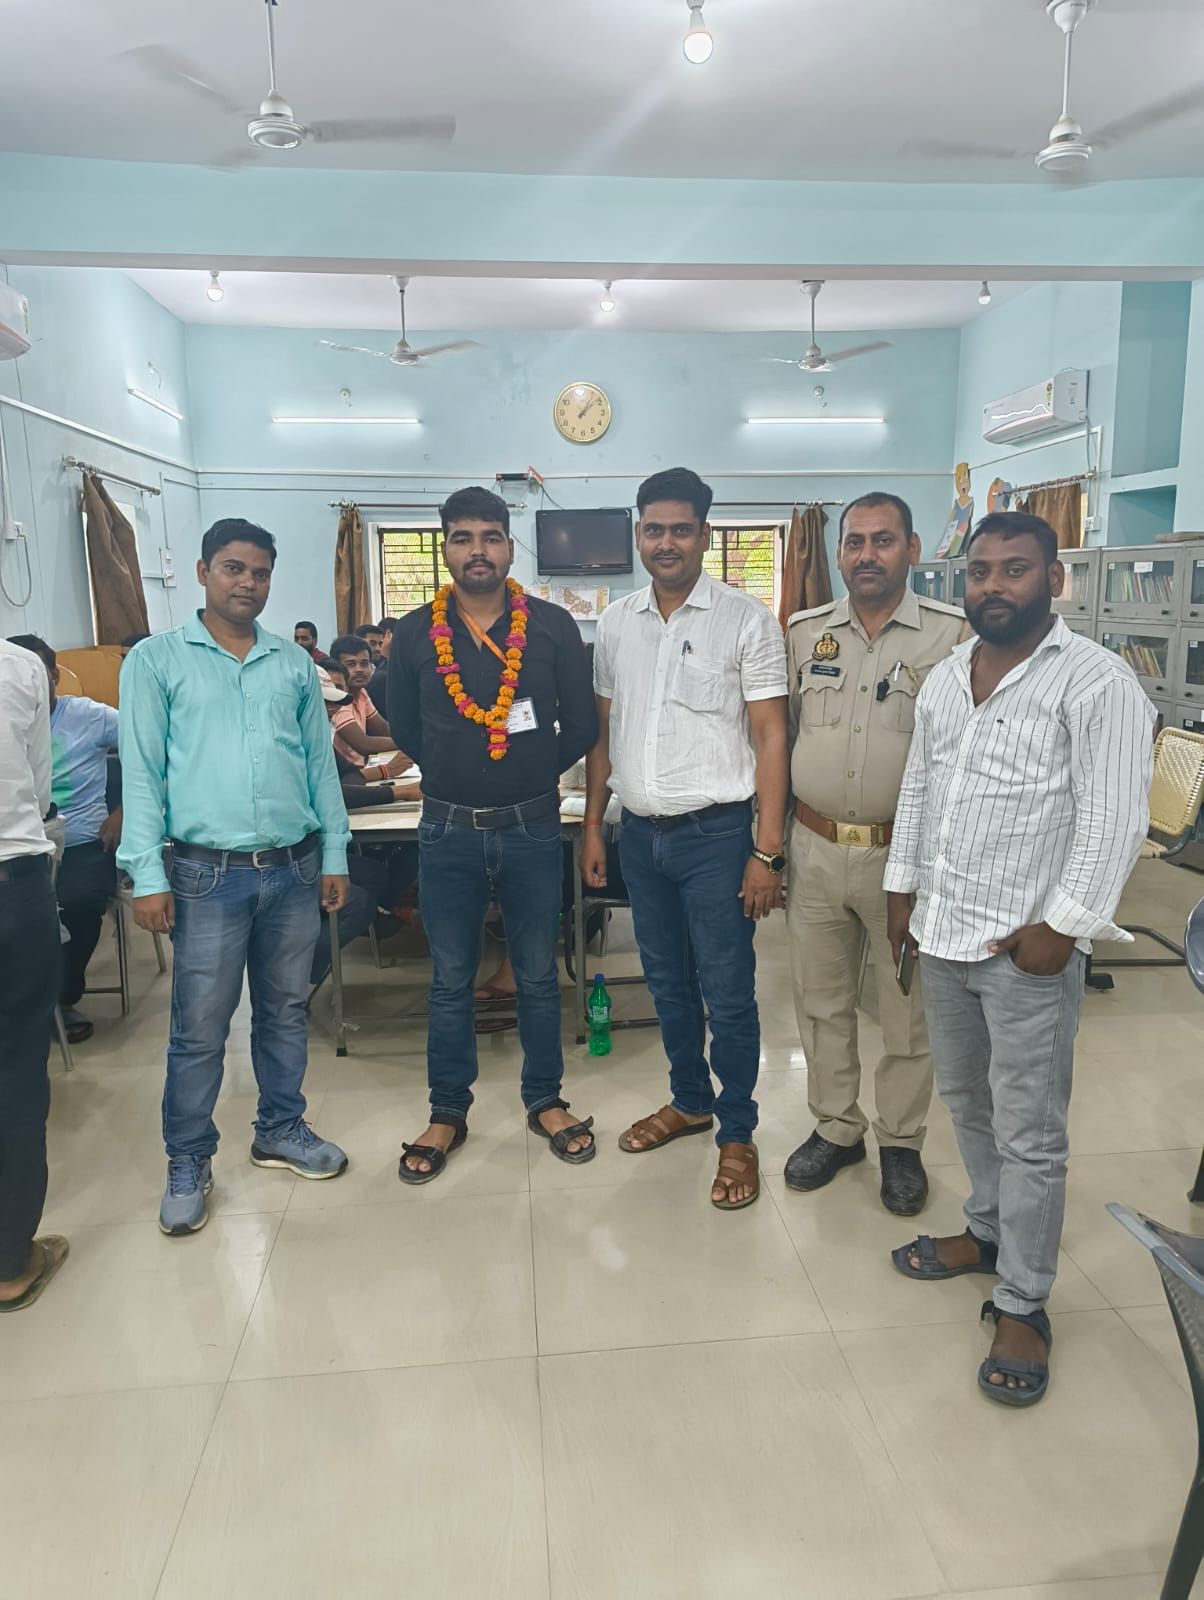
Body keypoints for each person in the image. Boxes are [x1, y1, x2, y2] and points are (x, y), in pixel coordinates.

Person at [885, 511, 1153, 1407]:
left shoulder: (1098, 681)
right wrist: (901, 887)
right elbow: (921, 788)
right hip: (944, 931)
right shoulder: (947, 677)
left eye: (1015, 569)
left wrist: (1064, 927)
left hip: (1024, 949)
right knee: (968, 1101)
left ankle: (1025, 1303)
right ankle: (990, 1232)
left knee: (1030, 1132)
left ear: (1053, 580)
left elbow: (1115, 819)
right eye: (981, 571)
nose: (993, 585)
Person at [119, 518, 352, 1236]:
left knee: (284, 1011)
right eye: (232, 568)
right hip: (204, 875)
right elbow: (142, 773)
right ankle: (188, 1158)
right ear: (202, 572)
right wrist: (146, 872)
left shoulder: (292, 664)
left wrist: (334, 854)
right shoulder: (157, 661)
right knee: (199, 1029)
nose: (247, 582)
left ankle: (280, 1128)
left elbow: (319, 766)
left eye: (260, 572)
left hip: (292, 869)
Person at [583, 466, 788, 1210]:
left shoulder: (746, 620)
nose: (664, 543)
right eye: (652, 530)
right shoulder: (616, 622)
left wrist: (766, 851)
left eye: (679, 529)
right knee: (667, 984)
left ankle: (738, 1131)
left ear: (704, 534)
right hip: (640, 836)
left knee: (727, 992)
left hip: (718, 838)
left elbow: (771, 738)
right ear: (638, 534)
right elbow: (603, 733)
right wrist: (594, 825)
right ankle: (690, 1100)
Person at [388, 485, 598, 1181]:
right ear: (445, 548)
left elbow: (582, 724)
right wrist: (456, 766)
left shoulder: (552, 626)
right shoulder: (414, 633)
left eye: (490, 537)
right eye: (462, 538)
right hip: (446, 831)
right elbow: (406, 726)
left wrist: (529, 770)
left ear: (510, 546)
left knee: (536, 975)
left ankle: (546, 1100)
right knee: (450, 979)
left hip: (533, 827)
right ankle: (447, 1111)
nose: (477, 551)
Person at [781, 494, 968, 1216]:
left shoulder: (952, 636)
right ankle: (836, 1127)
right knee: (820, 1000)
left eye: (883, 541)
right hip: (815, 848)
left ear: (912, 549)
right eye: (854, 542)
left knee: (906, 1010)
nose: (866, 555)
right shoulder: (805, 633)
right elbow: (785, 732)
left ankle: (900, 1141)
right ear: (838, 553)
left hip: (906, 858)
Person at [9, 633, 122, 1043]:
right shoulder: (7, 719)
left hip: (80, 842)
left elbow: (154, 752)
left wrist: (123, 810)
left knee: (78, 903)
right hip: (19, 847)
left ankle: (60, 999)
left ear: (55, 676)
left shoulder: (90, 716)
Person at [0, 638, 69, 1313]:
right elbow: (40, 791)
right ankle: (10, 1263)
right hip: (11, 879)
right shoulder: (17, 668)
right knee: (16, 1069)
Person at [328, 634, 398, 767]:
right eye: (351, 664)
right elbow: (364, 745)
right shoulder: (336, 700)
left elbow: (383, 729)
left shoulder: (361, 693)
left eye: (364, 663)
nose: (359, 670)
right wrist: (410, 742)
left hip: (363, 769)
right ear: (337, 667)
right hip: (346, 775)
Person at [367, 618, 399, 718]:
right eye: (372, 643)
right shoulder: (382, 675)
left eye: (380, 644)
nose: (377, 648)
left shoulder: (381, 664)